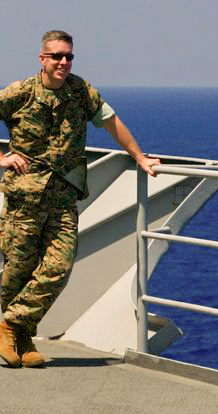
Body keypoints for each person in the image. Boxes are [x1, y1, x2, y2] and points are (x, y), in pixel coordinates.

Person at [0, 30, 160, 368]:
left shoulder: (81, 92)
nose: (63, 62)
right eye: (57, 56)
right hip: (25, 198)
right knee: (18, 271)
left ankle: (10, 324)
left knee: (59, 267)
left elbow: (111, 123)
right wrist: (2, 159)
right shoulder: (19, 93)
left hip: (63, 198)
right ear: (42, 59)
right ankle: (23, 338)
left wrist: (140, 157)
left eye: (69, 56)